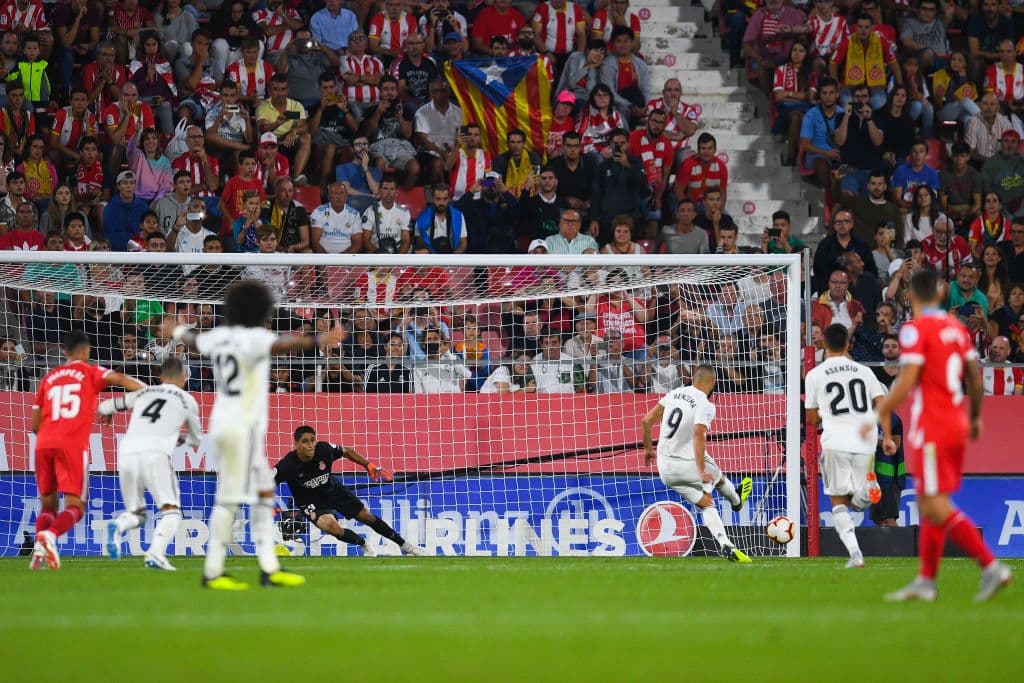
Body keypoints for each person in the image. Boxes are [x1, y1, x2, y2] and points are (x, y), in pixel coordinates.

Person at [164, 280, 345, 589]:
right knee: (230, 499)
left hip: (224, 423)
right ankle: (213, 572)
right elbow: (283, 345)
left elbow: (194, 342)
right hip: (241, 427)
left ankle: (268, 566)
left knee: (262, 492)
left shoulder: (219, 336)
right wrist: (321, 339)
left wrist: (177, 331)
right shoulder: (256, 337)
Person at [875, 269, 1012, 602]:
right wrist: (976, 418)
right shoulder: (957, 330)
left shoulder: (915, 329)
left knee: (936, 504)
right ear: (940, 294)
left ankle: (991, 566)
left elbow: (906, 382)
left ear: (910, 297)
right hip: (956, 422)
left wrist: (881, 413)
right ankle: (926, 580)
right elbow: (975, 381)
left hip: (933, 427)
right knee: (928, 502)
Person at [28, 330, 145, 570]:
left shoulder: (49, 378)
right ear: (87, 350)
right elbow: (126, 381)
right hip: (71, 444)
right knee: (76, 507)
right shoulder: (90, 372)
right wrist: (134, 397)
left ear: (65, 351)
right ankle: (49, 536)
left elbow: (34, 424)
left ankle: (38, 554)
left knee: (48, 506)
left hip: (43, 444)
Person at [641, 365, 754, 563]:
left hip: (665, 469)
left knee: (706, 503)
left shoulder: (675, 393)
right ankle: (736, 502)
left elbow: (646, 420)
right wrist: (701, 471)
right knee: (716, 476)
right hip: (687, 465)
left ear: (693, 378)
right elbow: (699, 434)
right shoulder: (705, 404)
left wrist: (648, 449)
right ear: (713, 383)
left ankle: (726, 544)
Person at [98, 357, 200, 571]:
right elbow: (196, 439)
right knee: (171, 512)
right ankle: (155, 554)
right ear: (183, 378)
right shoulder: (188, 400)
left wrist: (108, 412)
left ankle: (118, 526)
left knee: (136, 513)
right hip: (155, 454)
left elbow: (106, 405)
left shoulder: (145, 392)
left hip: (126, 452)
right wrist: (181, 439)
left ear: (160, 376)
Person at [273, 426, 425, 556]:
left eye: (312, 440)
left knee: (367, 516)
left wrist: (368, 465)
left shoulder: (324, 449)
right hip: (310, 502)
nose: (310, 445)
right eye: (305, 441)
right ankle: (364, 544)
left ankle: (405, 546)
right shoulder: (287, 465)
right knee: (334, 528)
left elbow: (346, 451)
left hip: (332, 490)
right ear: (296, 444)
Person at [805, 323, 885, 568]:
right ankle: (866, 490)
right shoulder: (864, 372)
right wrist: (888, 436)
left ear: (824, 344)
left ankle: (855, 554)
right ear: (849, 345)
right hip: (865, 441)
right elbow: (882, 403)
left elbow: (810, 418)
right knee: (858, 499)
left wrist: (823, 413)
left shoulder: (815, 374)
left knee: (839, 502)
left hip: (836, 441)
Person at [870, 412, 904, 528]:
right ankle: (881, 546)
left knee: (889, 519)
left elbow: (896, 444)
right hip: (873, 478)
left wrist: (872, 441)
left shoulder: (893, 419)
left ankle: (899, 546)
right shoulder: (868, 418)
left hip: (891, 479)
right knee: (877, 520)